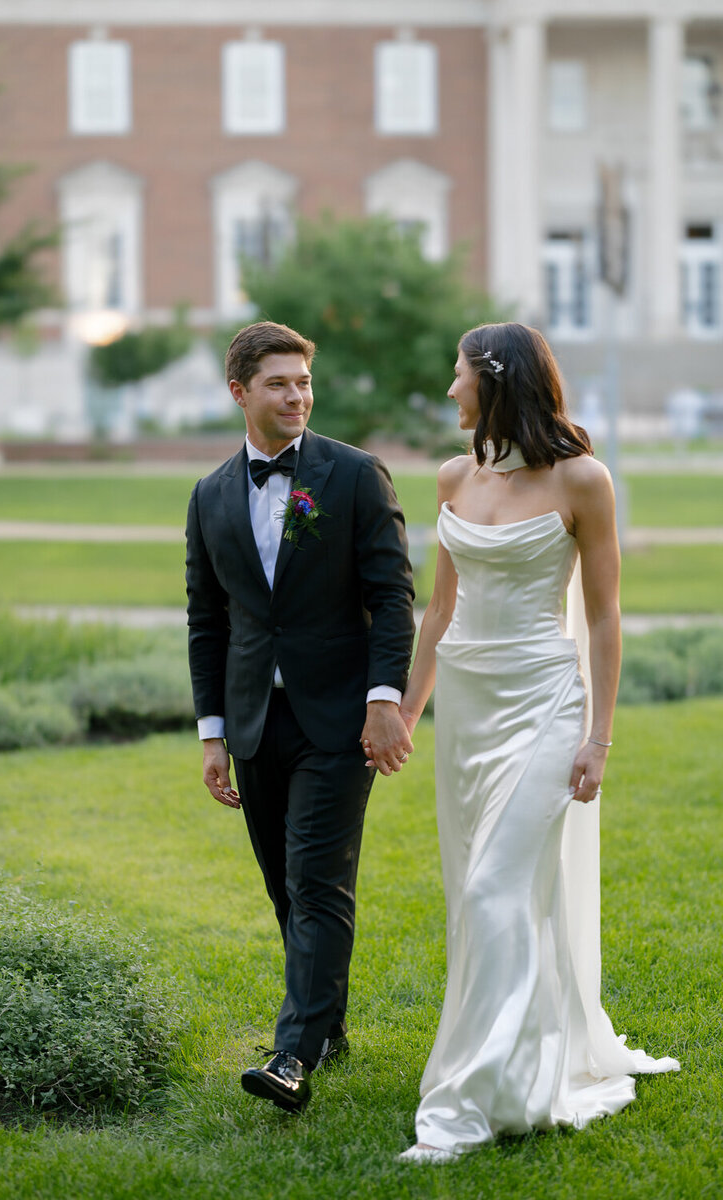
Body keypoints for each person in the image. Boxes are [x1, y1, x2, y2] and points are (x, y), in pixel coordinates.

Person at [388, 322, 679, 1162]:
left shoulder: (583, 479)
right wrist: (406, 712)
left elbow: (604, 616)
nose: (451, 390)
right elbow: (440, 611)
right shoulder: (454, 477)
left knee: (494, 890)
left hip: (545, 701)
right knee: (479, 897)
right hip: (467, 709)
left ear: (496, 380)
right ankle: (516, 1060)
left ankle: (468, 1105)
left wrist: (599, 737)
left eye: (458, 375)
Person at [185, 320, 416, 1115]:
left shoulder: (354, 475)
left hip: (341, 718)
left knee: (316, 879)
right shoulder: (210, 494)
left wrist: (384, 700)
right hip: (255, 721)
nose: (297, 397)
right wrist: (213, 732)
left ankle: (292, 1056)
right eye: (279, 384)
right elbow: (207, 621)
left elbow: (393, 598)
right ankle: (326, 1027)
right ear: (239, 391)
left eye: (304, 383)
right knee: (285, 885)